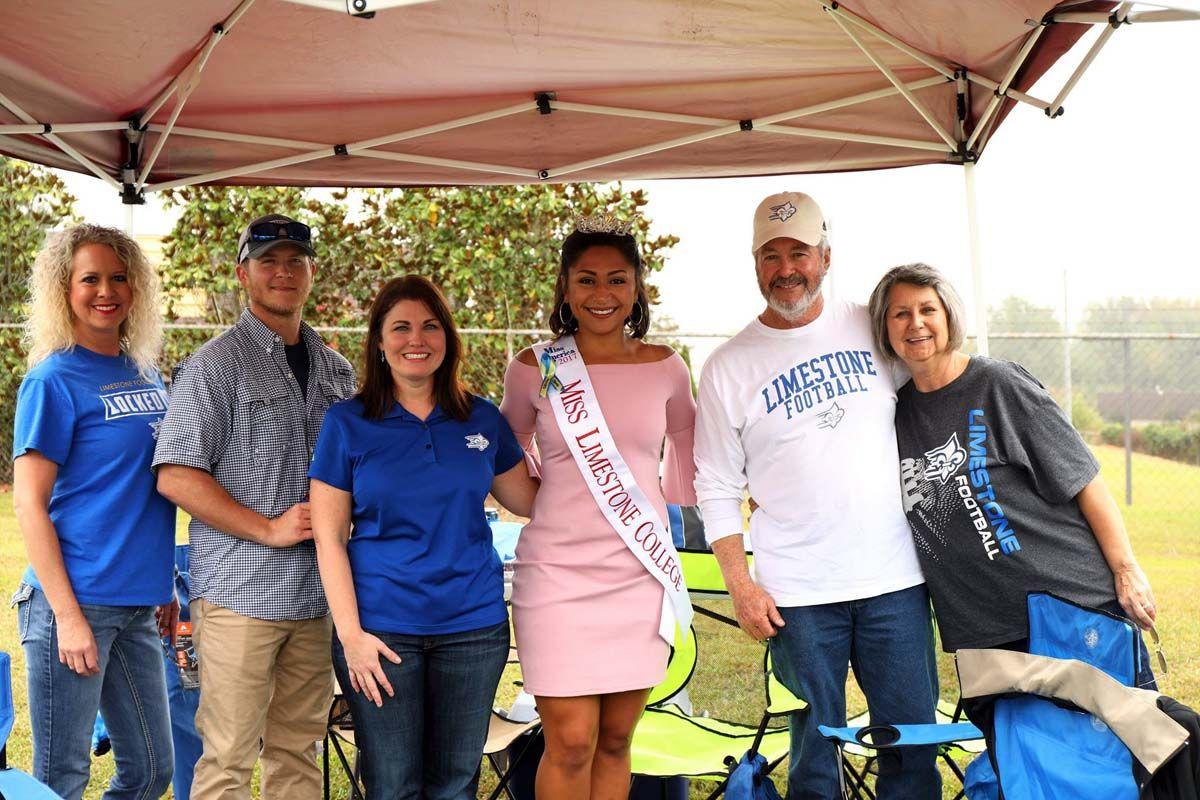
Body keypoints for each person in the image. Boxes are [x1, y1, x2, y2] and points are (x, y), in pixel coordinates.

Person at [693, 192, 941, 799]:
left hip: (895, 581)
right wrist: (741, 586)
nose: (786, 269)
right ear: (755, 264)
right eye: (771, 256)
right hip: (797, 595)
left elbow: (935, 392)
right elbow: (716, 485)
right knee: (814, 760)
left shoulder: (874, 327)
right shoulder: (727, 366)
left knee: (912, 747)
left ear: (826, 257)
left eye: (799, 253)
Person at [868, 262, 1158, 687]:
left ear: (949, 316)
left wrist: (1126, 570)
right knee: (1018, 733)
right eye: (900, 313)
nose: (916, 323)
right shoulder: (894, 411)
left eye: (928, 310)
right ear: (885, 327)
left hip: (1066, 607)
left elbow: (1085, 481)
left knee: (1124, 726)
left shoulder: (998, 384)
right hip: (981, 629)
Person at [153, 214, 357, 799]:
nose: (283, 272)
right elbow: (176, 476)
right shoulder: (213, 366)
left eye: (296, 261)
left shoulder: (336, 370)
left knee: (299, 751)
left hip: (317, 597)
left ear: (312, 272)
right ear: (244, 274)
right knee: (228, 757)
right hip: (241, 595)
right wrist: (267, 528)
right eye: (269, 261)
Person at [309, 274, 537, 798]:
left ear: (448, 339)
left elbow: (530, 501)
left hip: (473, 628)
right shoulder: (347, 423)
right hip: (381, 632)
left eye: (431, 326)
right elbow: (329, 538)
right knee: (392, 786)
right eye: (401, 328)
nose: (417, 339)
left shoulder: (481, 418)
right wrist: (352, 637)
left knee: (455, 785)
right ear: (379, 341)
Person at [500, 214, 697, 799]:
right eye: (586, 279)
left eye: (616, 279)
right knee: (569, 741)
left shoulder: (666, 367)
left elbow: (689, 460)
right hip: (556, 576)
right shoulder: (536, 367)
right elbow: (505, 448)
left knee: (614, 740)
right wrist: (540, 496)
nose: (601, 293)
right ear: (565, 288)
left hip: (638, 573)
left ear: (637, 288)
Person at [11, 224, 176, 800]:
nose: (106, 291)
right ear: (65, 289)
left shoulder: (147, 374)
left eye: (119, 278)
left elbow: (150, 486)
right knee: (62, 779)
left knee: (152, 770)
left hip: (137, 604)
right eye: (90, 279)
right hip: (74, 601)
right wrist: (68, 616)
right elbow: (29, 503)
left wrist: (162, 582)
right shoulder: (51, 380)